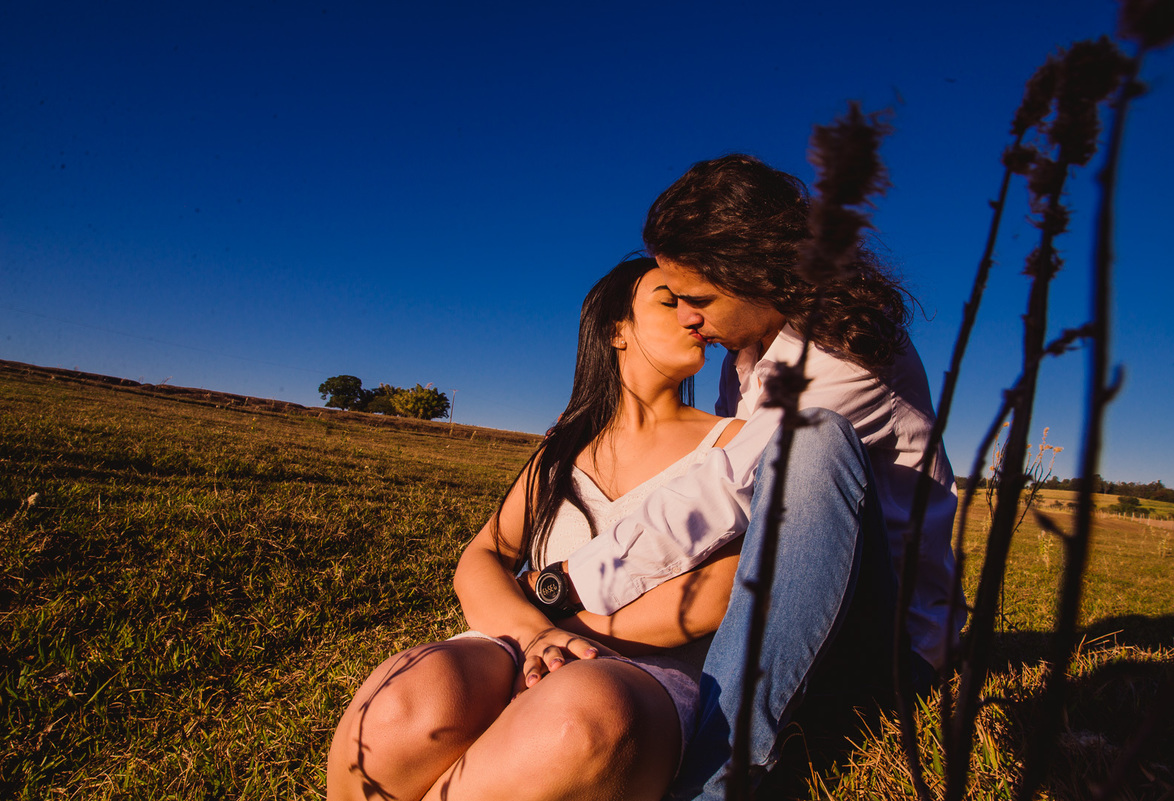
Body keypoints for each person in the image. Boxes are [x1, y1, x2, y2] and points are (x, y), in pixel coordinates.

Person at [543, 154, 963, 800]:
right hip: (798, 601)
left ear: (759, 273)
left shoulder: (841, 350)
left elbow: (719, 493)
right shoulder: (745, 352)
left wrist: (566, 582)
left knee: (812, 443)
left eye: (698, 298)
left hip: (885, 642)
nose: (685, 316)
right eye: (676, 297)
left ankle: (718, 778)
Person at [325, 257, 748, 801]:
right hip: (522, 639)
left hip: (645, 672)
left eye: (699, 303)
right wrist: (536, 635)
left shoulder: (735, 444)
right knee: (404, 706)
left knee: (578, 725)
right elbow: (484, 555)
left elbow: (714, 594)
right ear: (616, 330)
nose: (696, 317)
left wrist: (569, 640)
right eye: (671, 301)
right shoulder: (563, 449)